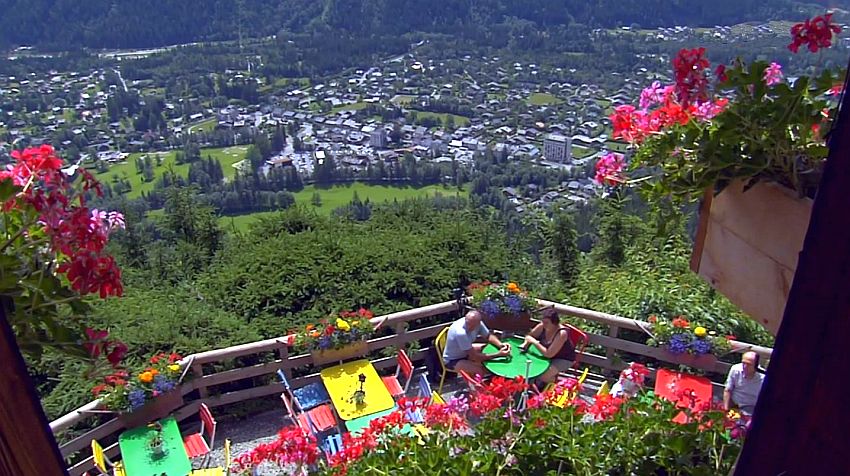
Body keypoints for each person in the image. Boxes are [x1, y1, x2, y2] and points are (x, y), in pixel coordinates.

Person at [442, 309, 511, 377]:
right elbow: (474, 357)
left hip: (465, 351)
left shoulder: (478, 323)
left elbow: (488, 336)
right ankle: (477, 387)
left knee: (486, 347)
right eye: (468, 324)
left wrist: (500, 345)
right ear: (465, 319)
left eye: (472, 325)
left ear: (478, 323)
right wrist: (498, 355)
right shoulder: (461, 333)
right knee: (481, 370)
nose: (469, 327)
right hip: (452, 361)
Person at [521, 308, 576, 383]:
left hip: (563, 358)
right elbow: (530, 336)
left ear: (554, 323)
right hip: (544, 354)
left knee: (543, 376)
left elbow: (549, 354)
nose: (544, 324)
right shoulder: (542, 326)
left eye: (546, 323)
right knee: (529, 368)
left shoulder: (561, 333)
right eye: (543, 322)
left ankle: (558, 383)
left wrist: (535, 342)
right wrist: (526, 344)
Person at [724, 351, 765, 415]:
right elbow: (728, 390)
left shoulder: (763, 377)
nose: (745, 366)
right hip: (734, 405)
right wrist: (726, 409)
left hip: (752, 408)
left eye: (748, 364)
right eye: (743, 363)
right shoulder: (735, 369)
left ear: (756, 365)